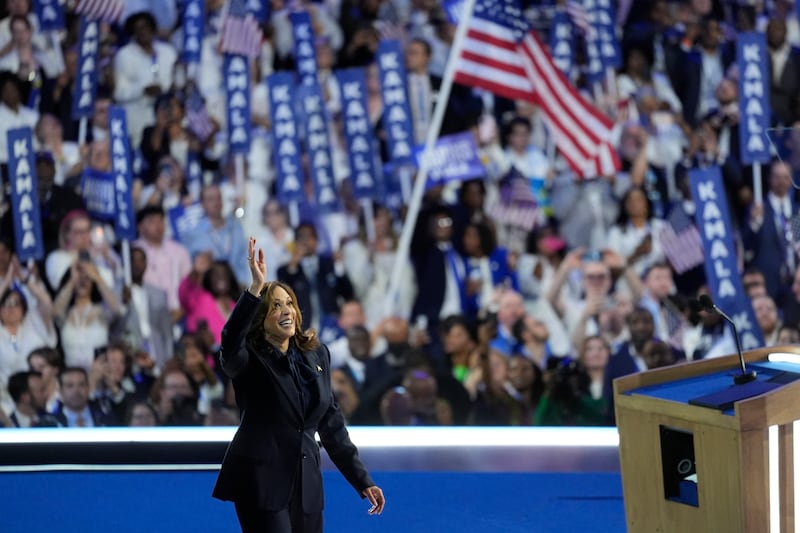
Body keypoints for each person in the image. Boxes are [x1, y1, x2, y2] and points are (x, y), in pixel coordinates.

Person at [212, 237, 385, 532]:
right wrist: (255, 289)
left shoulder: (316, 355)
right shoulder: (248, 359)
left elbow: (332, 424)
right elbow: (229, 343)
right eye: (275, 306)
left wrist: (362, 480)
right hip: (261, 481)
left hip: (306, 484)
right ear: (260, 318)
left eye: (289, 303)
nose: (286, 311)